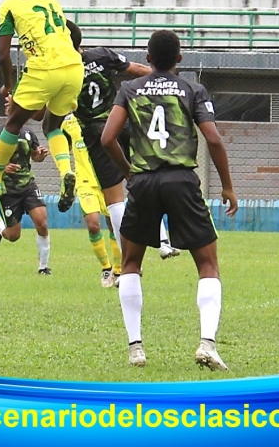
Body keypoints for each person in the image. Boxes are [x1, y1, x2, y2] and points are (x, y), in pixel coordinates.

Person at [101, 30, 238, 370]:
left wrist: (129, 171)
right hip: (181, 181)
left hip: (144, 182)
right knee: (207, 263)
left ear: (147, 58)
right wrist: (227, 186)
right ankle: (207, 343)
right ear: (180, 58)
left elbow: (107, 138)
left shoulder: (129, 89)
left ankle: (136, 348)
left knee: (131, 263)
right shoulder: (193, 89)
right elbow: (214, 140)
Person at [66, 20, 181, 262]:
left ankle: (128, 259)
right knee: (146, 177)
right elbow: (134, 68)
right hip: (122, 120)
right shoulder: (101, 55)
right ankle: (163, 241)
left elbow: (41, 113)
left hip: (97, 134)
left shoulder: (61, 70)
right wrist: (164, 76)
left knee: (115, 199)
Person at [0, 0, 84, 217]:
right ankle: (66, 170)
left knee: (13, 122)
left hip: (44, 67)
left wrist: (8, 84)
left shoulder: (9, 5)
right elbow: (73, 33)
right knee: (52, 125)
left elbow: (3, 54)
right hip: (75, 67)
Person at [0, 96, 53, 275]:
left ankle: (43, 268)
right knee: (13, 236)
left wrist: (40, 155)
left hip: (28, 185)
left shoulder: (29, 134)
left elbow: (35, 157)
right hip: (7, 189)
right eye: (9, 107)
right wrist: (2, 167)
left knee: (42, 223)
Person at [61, 113, 122, 287]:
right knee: (93, 224)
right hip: (85, 182)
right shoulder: (68, 123)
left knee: (113, 224)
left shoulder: (105, 118)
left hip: (106, 180)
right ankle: (105, 268)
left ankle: (118, 270)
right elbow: (61, 145)